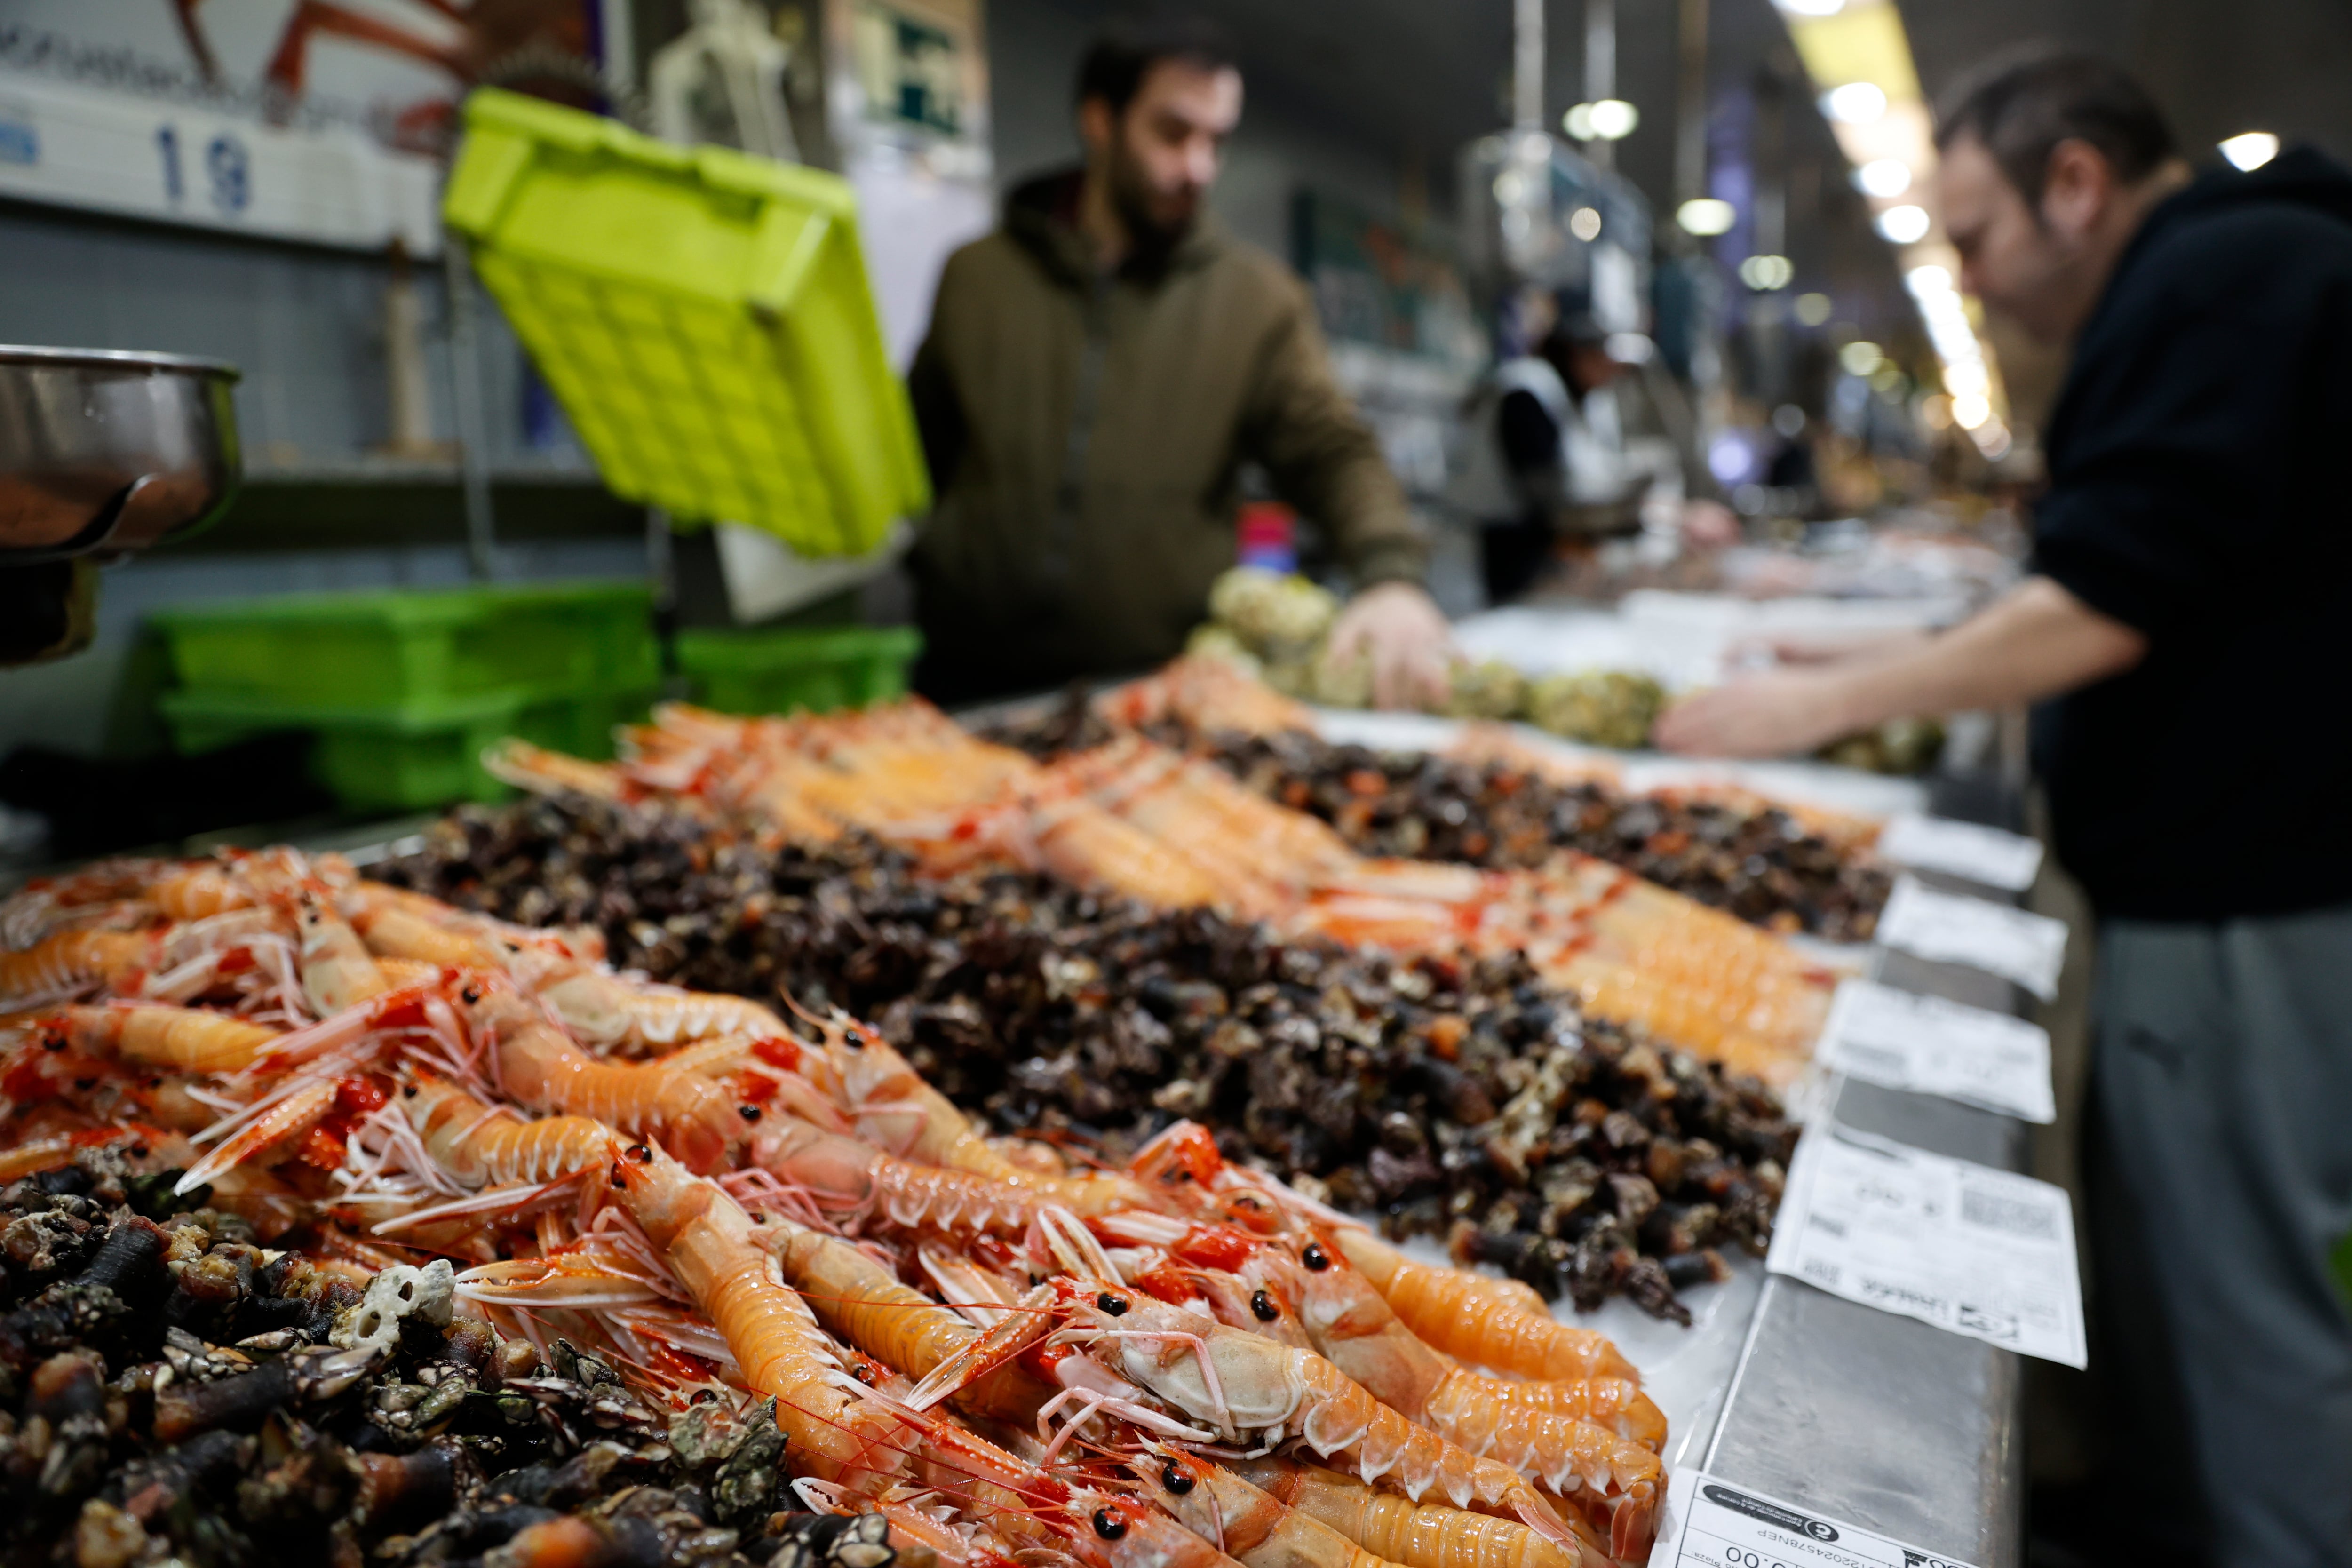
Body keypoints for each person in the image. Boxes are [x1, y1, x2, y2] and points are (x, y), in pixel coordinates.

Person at [1656, 49, 2352, 1566]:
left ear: (2076, 185)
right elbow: (2127, 555)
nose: (1963, 275)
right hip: (2236, 880)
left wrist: (1811, 704)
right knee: (2201, 1274)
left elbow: (2111, 592)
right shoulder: (2231, 273)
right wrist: (1849, 649)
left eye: (1970, 236)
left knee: (2245, 1305)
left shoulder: (2225, 275)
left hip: (2250, 893)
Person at [904, 14, 1449, 708]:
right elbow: (922, 443)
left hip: (1155, 692)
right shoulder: (978, 275)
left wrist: (1391, 573)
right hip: (963, 683)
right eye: (1172, 132)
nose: (1197, 168)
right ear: (1099, 120)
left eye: (1216, 141)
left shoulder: (1255, 300)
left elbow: (1331, 450)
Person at [1454, 293, 1737, 604]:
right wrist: (1664, 517)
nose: (1613, 372)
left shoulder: (1577, 399)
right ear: (1578, 354)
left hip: (1547, 550)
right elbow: (1552, 505)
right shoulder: (1528, 394)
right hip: (1512, 549)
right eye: (1605, 360)